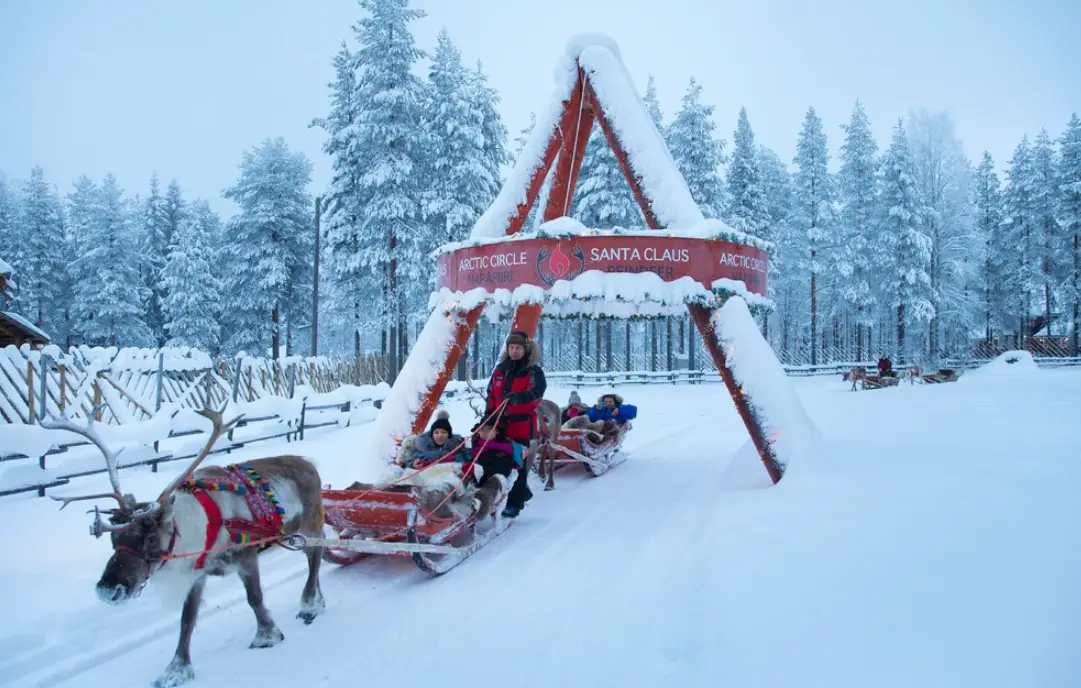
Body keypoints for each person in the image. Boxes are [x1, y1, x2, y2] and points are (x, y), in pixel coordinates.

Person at [485, 329, 546, 518]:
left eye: (518, 347)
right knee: (495, 461)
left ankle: (515, 502)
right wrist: (487, 420)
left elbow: (537, 392)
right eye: (511, 347)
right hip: (499, 425)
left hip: (521, 427)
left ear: (525, 349)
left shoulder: (533, 371)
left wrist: (519, 398)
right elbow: (491, 396)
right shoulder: (500, 370)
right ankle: (500, 494)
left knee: (518, 465)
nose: (514, 351)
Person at [467, 415, 524, 516]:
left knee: (492, 484)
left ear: (496, 431)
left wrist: (483, 470)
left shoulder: (504, 448)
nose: (485, 433)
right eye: (482, 430)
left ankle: (477, 506)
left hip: (495, 480)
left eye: (489, 429)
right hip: (477, 479)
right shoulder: (476, 447)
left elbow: (504, 469)